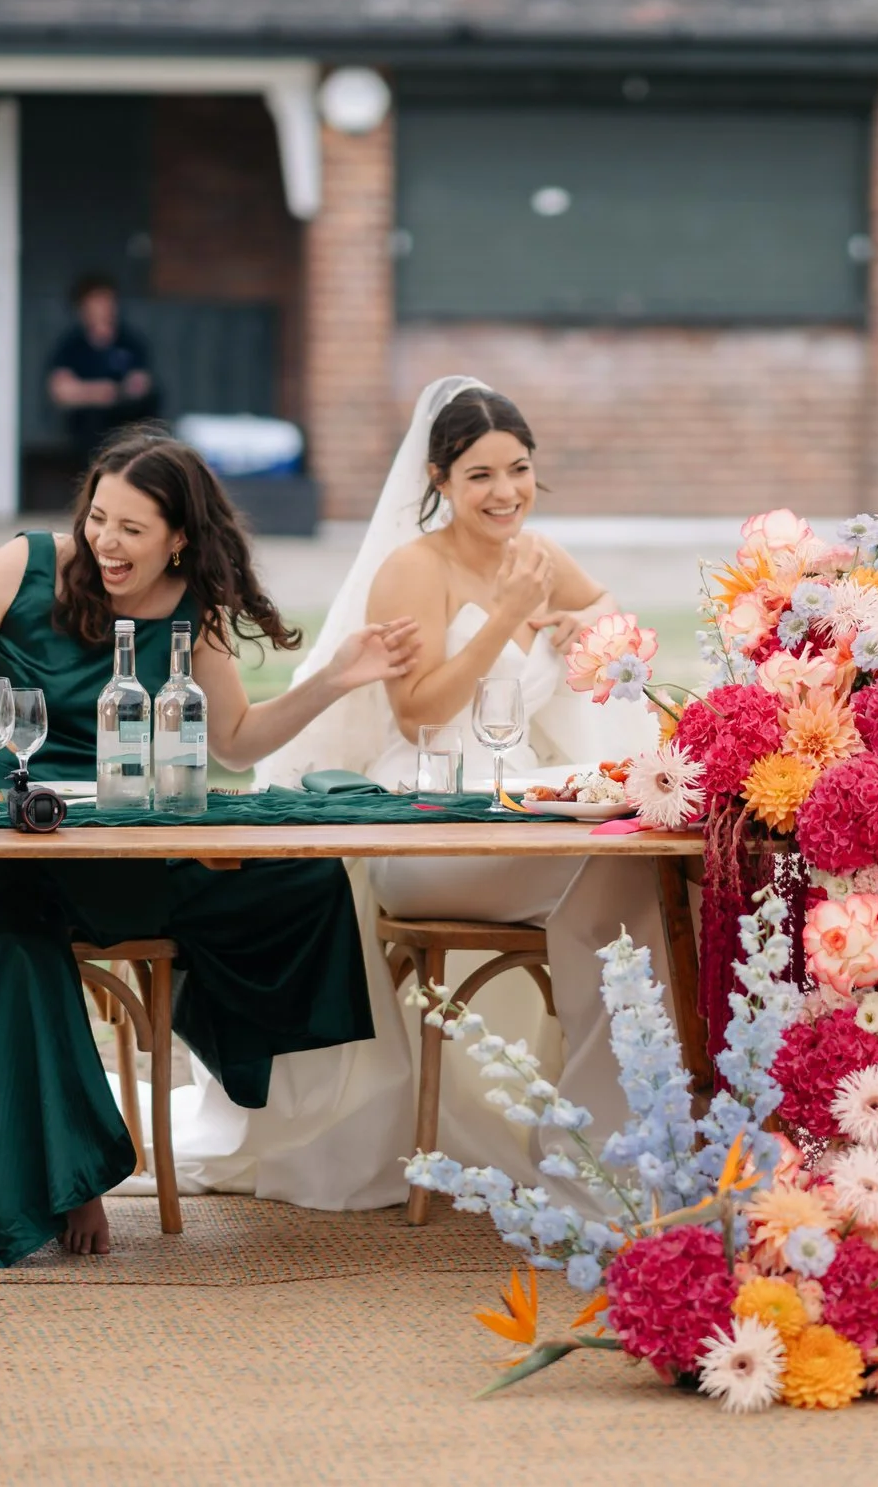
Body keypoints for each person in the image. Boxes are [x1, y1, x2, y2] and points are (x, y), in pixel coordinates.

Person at [0, 429, 421, 1265]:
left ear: (179, 537)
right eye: (100, 517)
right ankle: (75, 1175)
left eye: (133, 528)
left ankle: (280, 1115)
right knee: (13, 935)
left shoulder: (188, 608)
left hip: (123, 844)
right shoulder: (29, 564)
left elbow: (237, 744)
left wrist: (338, 677)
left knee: (304, 878)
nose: (106, 540)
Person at [155, 377, 664, 1212]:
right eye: (481, 475)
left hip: (527, 799)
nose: (506, 493)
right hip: (426, 823)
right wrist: (505, 619)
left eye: (520, 469)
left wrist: (589, 629)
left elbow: (623, 632)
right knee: (602, 869)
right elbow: (420, 709)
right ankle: (590, 1152)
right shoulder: (412, 570)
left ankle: (599, 1152)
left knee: (631, 874)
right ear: (439, 479)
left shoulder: (543, 556)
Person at [46, 275, 159, 462]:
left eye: (108, 301)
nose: (104, 308)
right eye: (97, 302)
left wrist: (109, 393)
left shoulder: (130, 342)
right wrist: (102, 392)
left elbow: (141, 385)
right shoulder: (71, 346)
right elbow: (60, 391)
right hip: (85, 436)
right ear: (82, 307)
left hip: (126, 430)